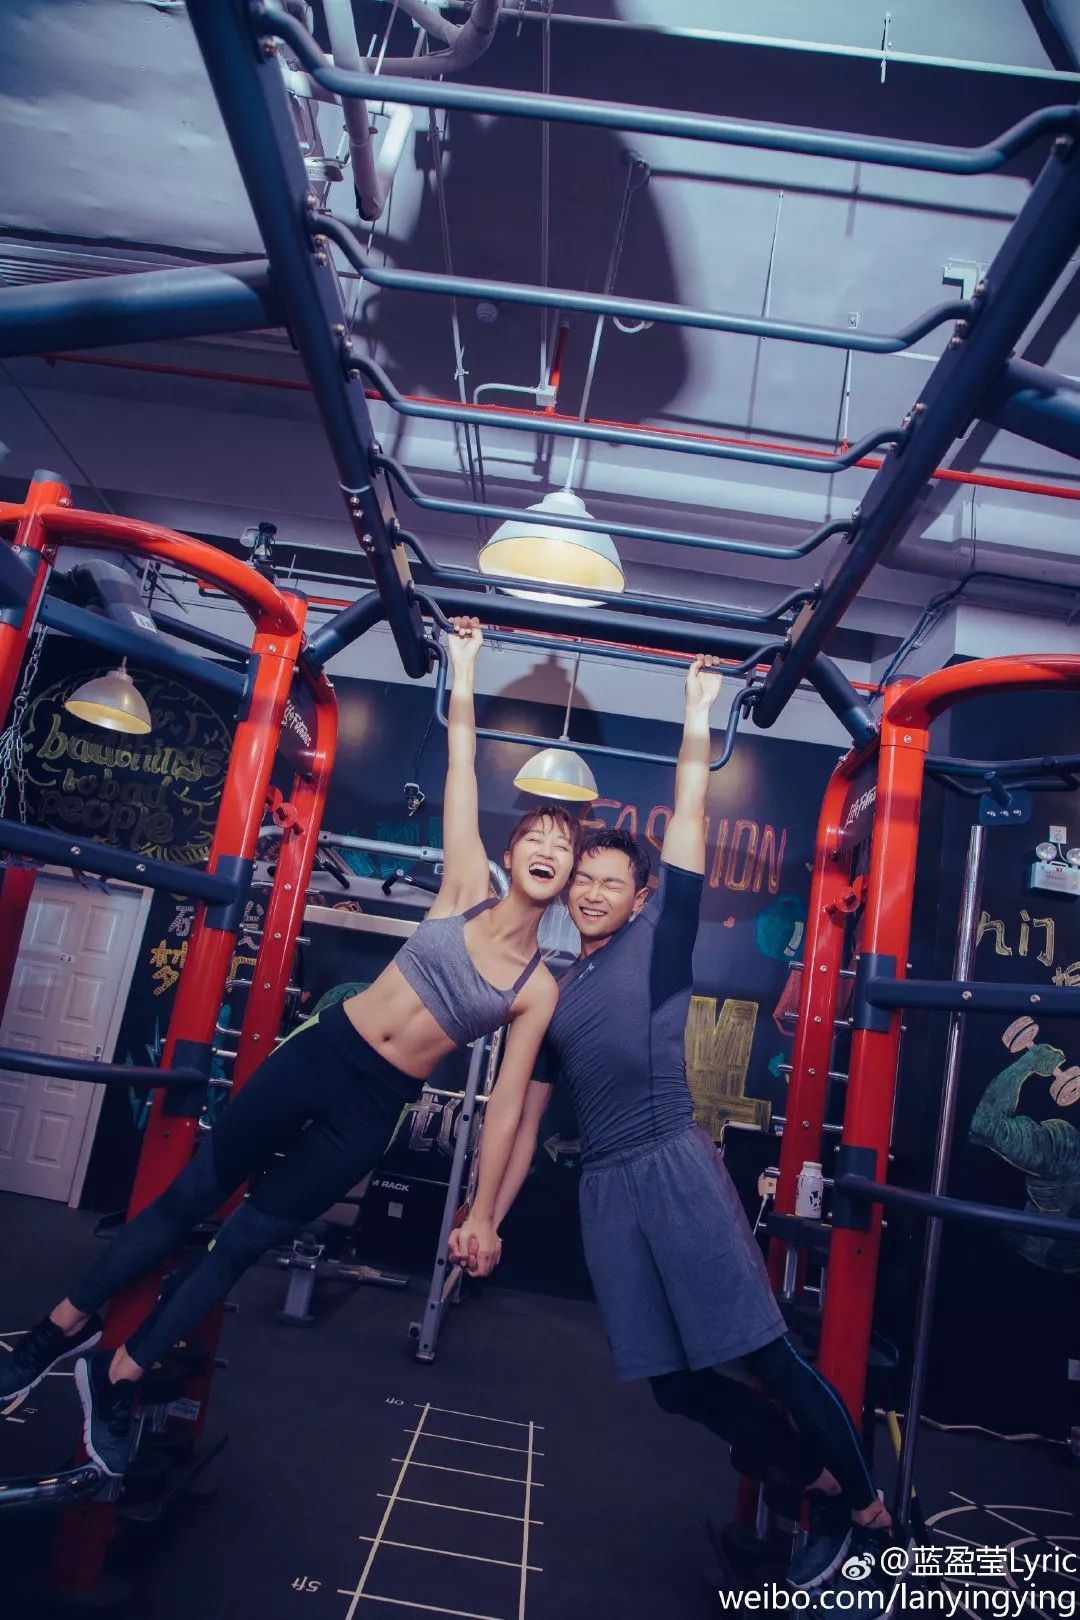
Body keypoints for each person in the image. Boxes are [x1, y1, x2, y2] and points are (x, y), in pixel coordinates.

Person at [0, 618, 575, 1479]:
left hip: (373, 1110)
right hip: (322, 1056)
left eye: (565, 846)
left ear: (565, 878)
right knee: (186, 1202)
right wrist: (464, 666)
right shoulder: (464, 885)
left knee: (240, 1246)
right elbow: (461, 765)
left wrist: (483, 1212)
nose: (549, 850)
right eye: (539, 836)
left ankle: (117, 1379)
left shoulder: (536, 987)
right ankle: (53, 1332)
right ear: (513, 847)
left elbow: (504, 1112)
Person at [451, 655, 892, 1592]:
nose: (593, 892)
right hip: (607, 1190)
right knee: (672, 1382)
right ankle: (813, 1477)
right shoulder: (551, 990)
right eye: (585, 879)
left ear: (641, 896)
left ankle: (867, 1512)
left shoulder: (658, 942)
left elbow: (687, 813)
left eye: (612, 882)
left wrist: (698, 712)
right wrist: (485, 1213)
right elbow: (521, 1121)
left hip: (673, 1164)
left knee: (763, 1352)